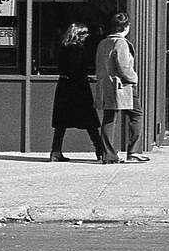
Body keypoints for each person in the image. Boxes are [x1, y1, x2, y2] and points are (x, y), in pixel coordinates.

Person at [50, 22, 108, 162]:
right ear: (78, 35)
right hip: (78, 88)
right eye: (85, 33)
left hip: (64, 87)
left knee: (61, 123)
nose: (87, 36)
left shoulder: (62, 48)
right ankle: (100, 151)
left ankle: (55, 151)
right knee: (90, 122)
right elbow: (78, 69)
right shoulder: (78, 50)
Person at [94, 11, 148, 164]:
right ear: (126, 27)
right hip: (122, 86)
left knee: (109, 118)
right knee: (136, 115)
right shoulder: (121, 43)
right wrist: (134, 79)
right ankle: (134, 151)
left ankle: (108, 155)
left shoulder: (103, 43)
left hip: (106, 85)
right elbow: (124, 66)